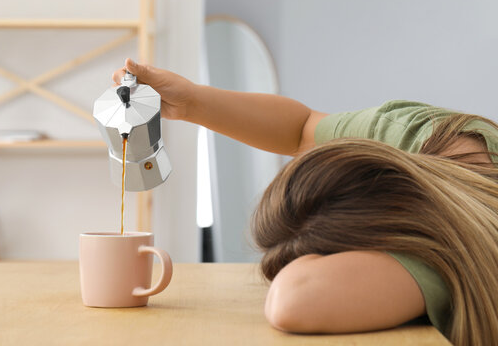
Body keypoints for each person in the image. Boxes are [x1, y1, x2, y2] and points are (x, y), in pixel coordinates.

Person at [112, 59, 498, 346]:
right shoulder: (417, 138)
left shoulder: (444, 254)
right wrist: (191, 102)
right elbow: (301, 132)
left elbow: (294, 299)